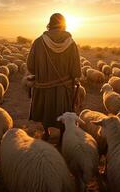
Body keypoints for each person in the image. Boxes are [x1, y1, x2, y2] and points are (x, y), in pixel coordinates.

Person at [27, 13, 81, 143]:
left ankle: (46, 132)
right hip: (64, 87)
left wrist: (42, 72)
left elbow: (31, 66)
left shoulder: (38, 42)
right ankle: (63, 135)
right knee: (63, 109)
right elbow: (76, 70)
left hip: (44, 86)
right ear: (63, 24)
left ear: (49, 24)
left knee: (46, 109)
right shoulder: (71, 43)